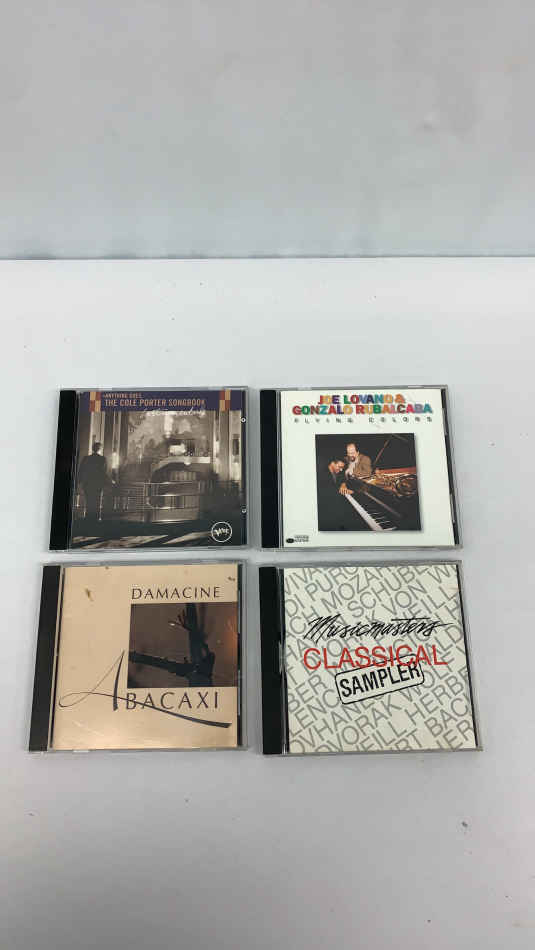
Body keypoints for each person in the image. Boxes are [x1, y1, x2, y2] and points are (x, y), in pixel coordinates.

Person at [317, 458, 356, 531]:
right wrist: (344, 490)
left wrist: (343, 484)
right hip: (325, 506)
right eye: (340, 467)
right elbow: (326, 491)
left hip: (334, 500)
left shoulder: (337, 471)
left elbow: (342, 478)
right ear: (332, 463)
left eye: (342, 468)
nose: (341, 470)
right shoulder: (321, 472)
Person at [78, 442, 108, 520]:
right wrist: (107, 483)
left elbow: (81, 470)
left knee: (88, 501)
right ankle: (96, 517)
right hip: (98, 484)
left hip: (87, 484)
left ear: (92, 448)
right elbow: (103, 473)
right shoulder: (102, 459)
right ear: (100, 449)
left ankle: (88, 517)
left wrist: (79, 481)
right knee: (97, 501)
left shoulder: (86, 458)